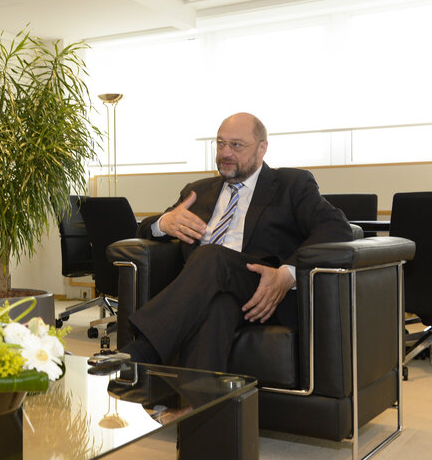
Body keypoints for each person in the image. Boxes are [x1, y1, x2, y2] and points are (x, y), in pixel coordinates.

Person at [120, 112, 352, 372]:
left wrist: (287, 275)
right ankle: (196, 407)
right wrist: (163, 223)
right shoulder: (198, 191)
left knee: (212, 256)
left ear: (262, 148)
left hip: (260, 287)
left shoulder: (291, 184)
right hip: (208, 291)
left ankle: (140, 351)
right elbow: (144, 230)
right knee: (217, 308)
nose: (225, 153)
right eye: (220, 144)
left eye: (236, 145)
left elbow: (337, 227)